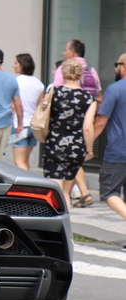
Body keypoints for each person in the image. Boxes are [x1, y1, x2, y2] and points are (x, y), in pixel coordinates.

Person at [42, 58, 96, 209]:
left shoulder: (53, 92)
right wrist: (89, 150)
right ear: (80, 75)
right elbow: (87, 127)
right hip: (76, 148)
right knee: (66, 191)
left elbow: (42, 114)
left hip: (54, 144)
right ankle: (66, 225)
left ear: (63, 73)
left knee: (54, 189)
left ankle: (54, 225)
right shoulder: (88, 98)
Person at [54, 39, 102, 208]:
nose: (63, 53)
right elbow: (99, 96)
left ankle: (82, 193)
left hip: (67, 125)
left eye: (65, 49)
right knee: (76, 159)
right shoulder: (91, 70)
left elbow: (57, 94)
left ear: (73, 52)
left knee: (68, 163)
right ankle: (83, 192)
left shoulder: (63, 69)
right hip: (86, 121)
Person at [93, 53, 126, 251]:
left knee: (108, 191)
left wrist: (88, 145)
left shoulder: (115, 89)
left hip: (118, 151)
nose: (116, 68)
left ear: (124, 68)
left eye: (117, 64)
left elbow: (101, 121)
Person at [11, 53, 44, 170]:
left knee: (19, 161)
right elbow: (40, 106)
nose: (13, 66)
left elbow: (13, 105)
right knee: (25, 160)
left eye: (16, 63)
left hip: (19, 124)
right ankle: (30, 185)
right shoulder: (39, 84)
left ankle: (29, 187)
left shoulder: (15, 81)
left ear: (22, 66)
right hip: (33, 125)